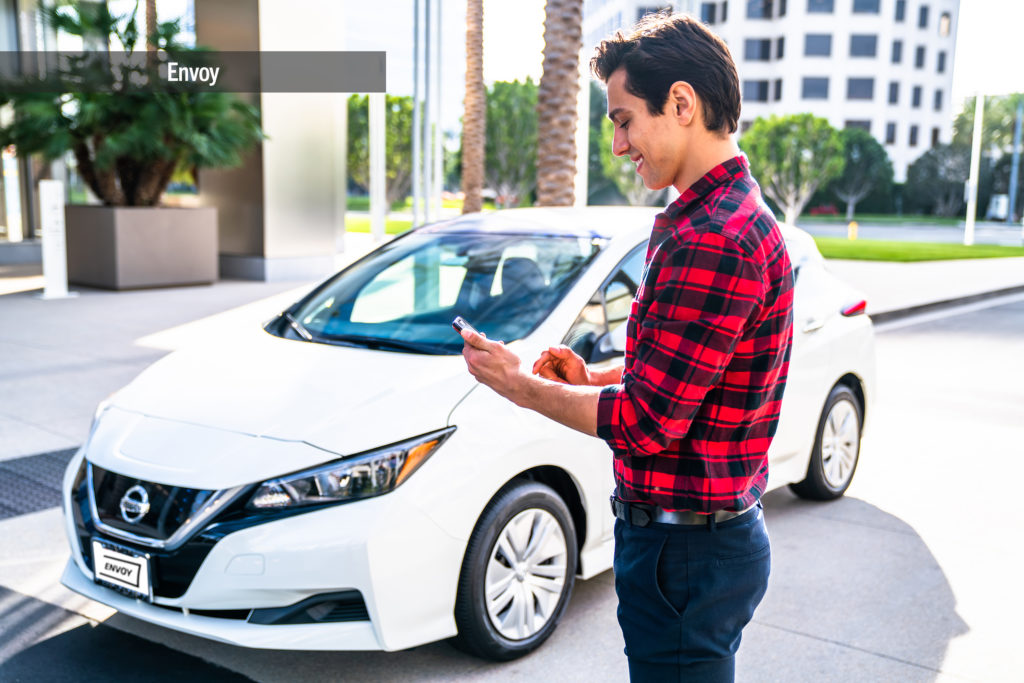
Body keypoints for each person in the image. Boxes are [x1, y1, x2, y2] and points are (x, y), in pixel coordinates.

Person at [459, 12, 794, 682]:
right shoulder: (719, 218)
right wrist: (588, 377)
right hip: (698, 542)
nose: (617, 144)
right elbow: (681, 375)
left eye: (622, 119)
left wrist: (518, 385)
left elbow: (646, 422)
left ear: (681, 103)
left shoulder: (711, 237)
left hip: (685, 548)